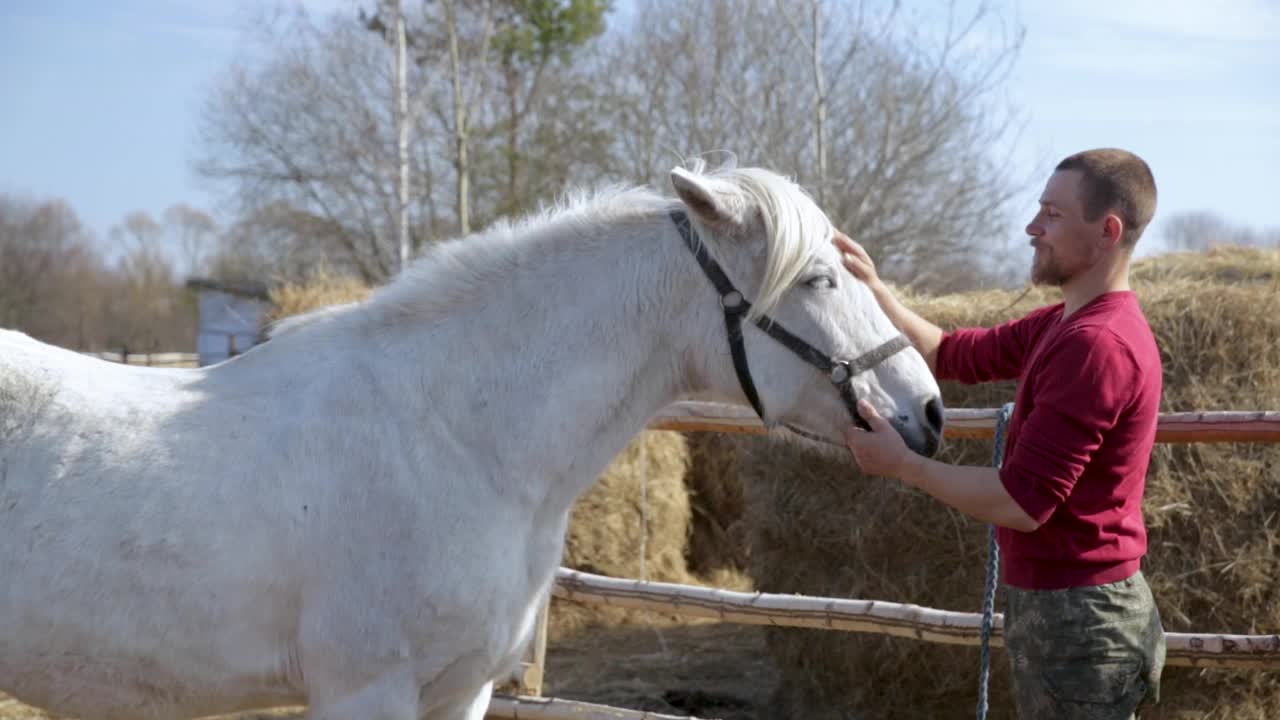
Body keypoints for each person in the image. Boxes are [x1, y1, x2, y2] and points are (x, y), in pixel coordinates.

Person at [838, 148, 1166, 719]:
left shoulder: (1097, 346)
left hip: (1083, 619)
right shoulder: (1062, 322)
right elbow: (948, 352)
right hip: (1065, 608)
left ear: (1108, 230)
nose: (1032, 228)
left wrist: (904, 464)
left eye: (1053, 215)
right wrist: (876, 291)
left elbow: (1022, 503)